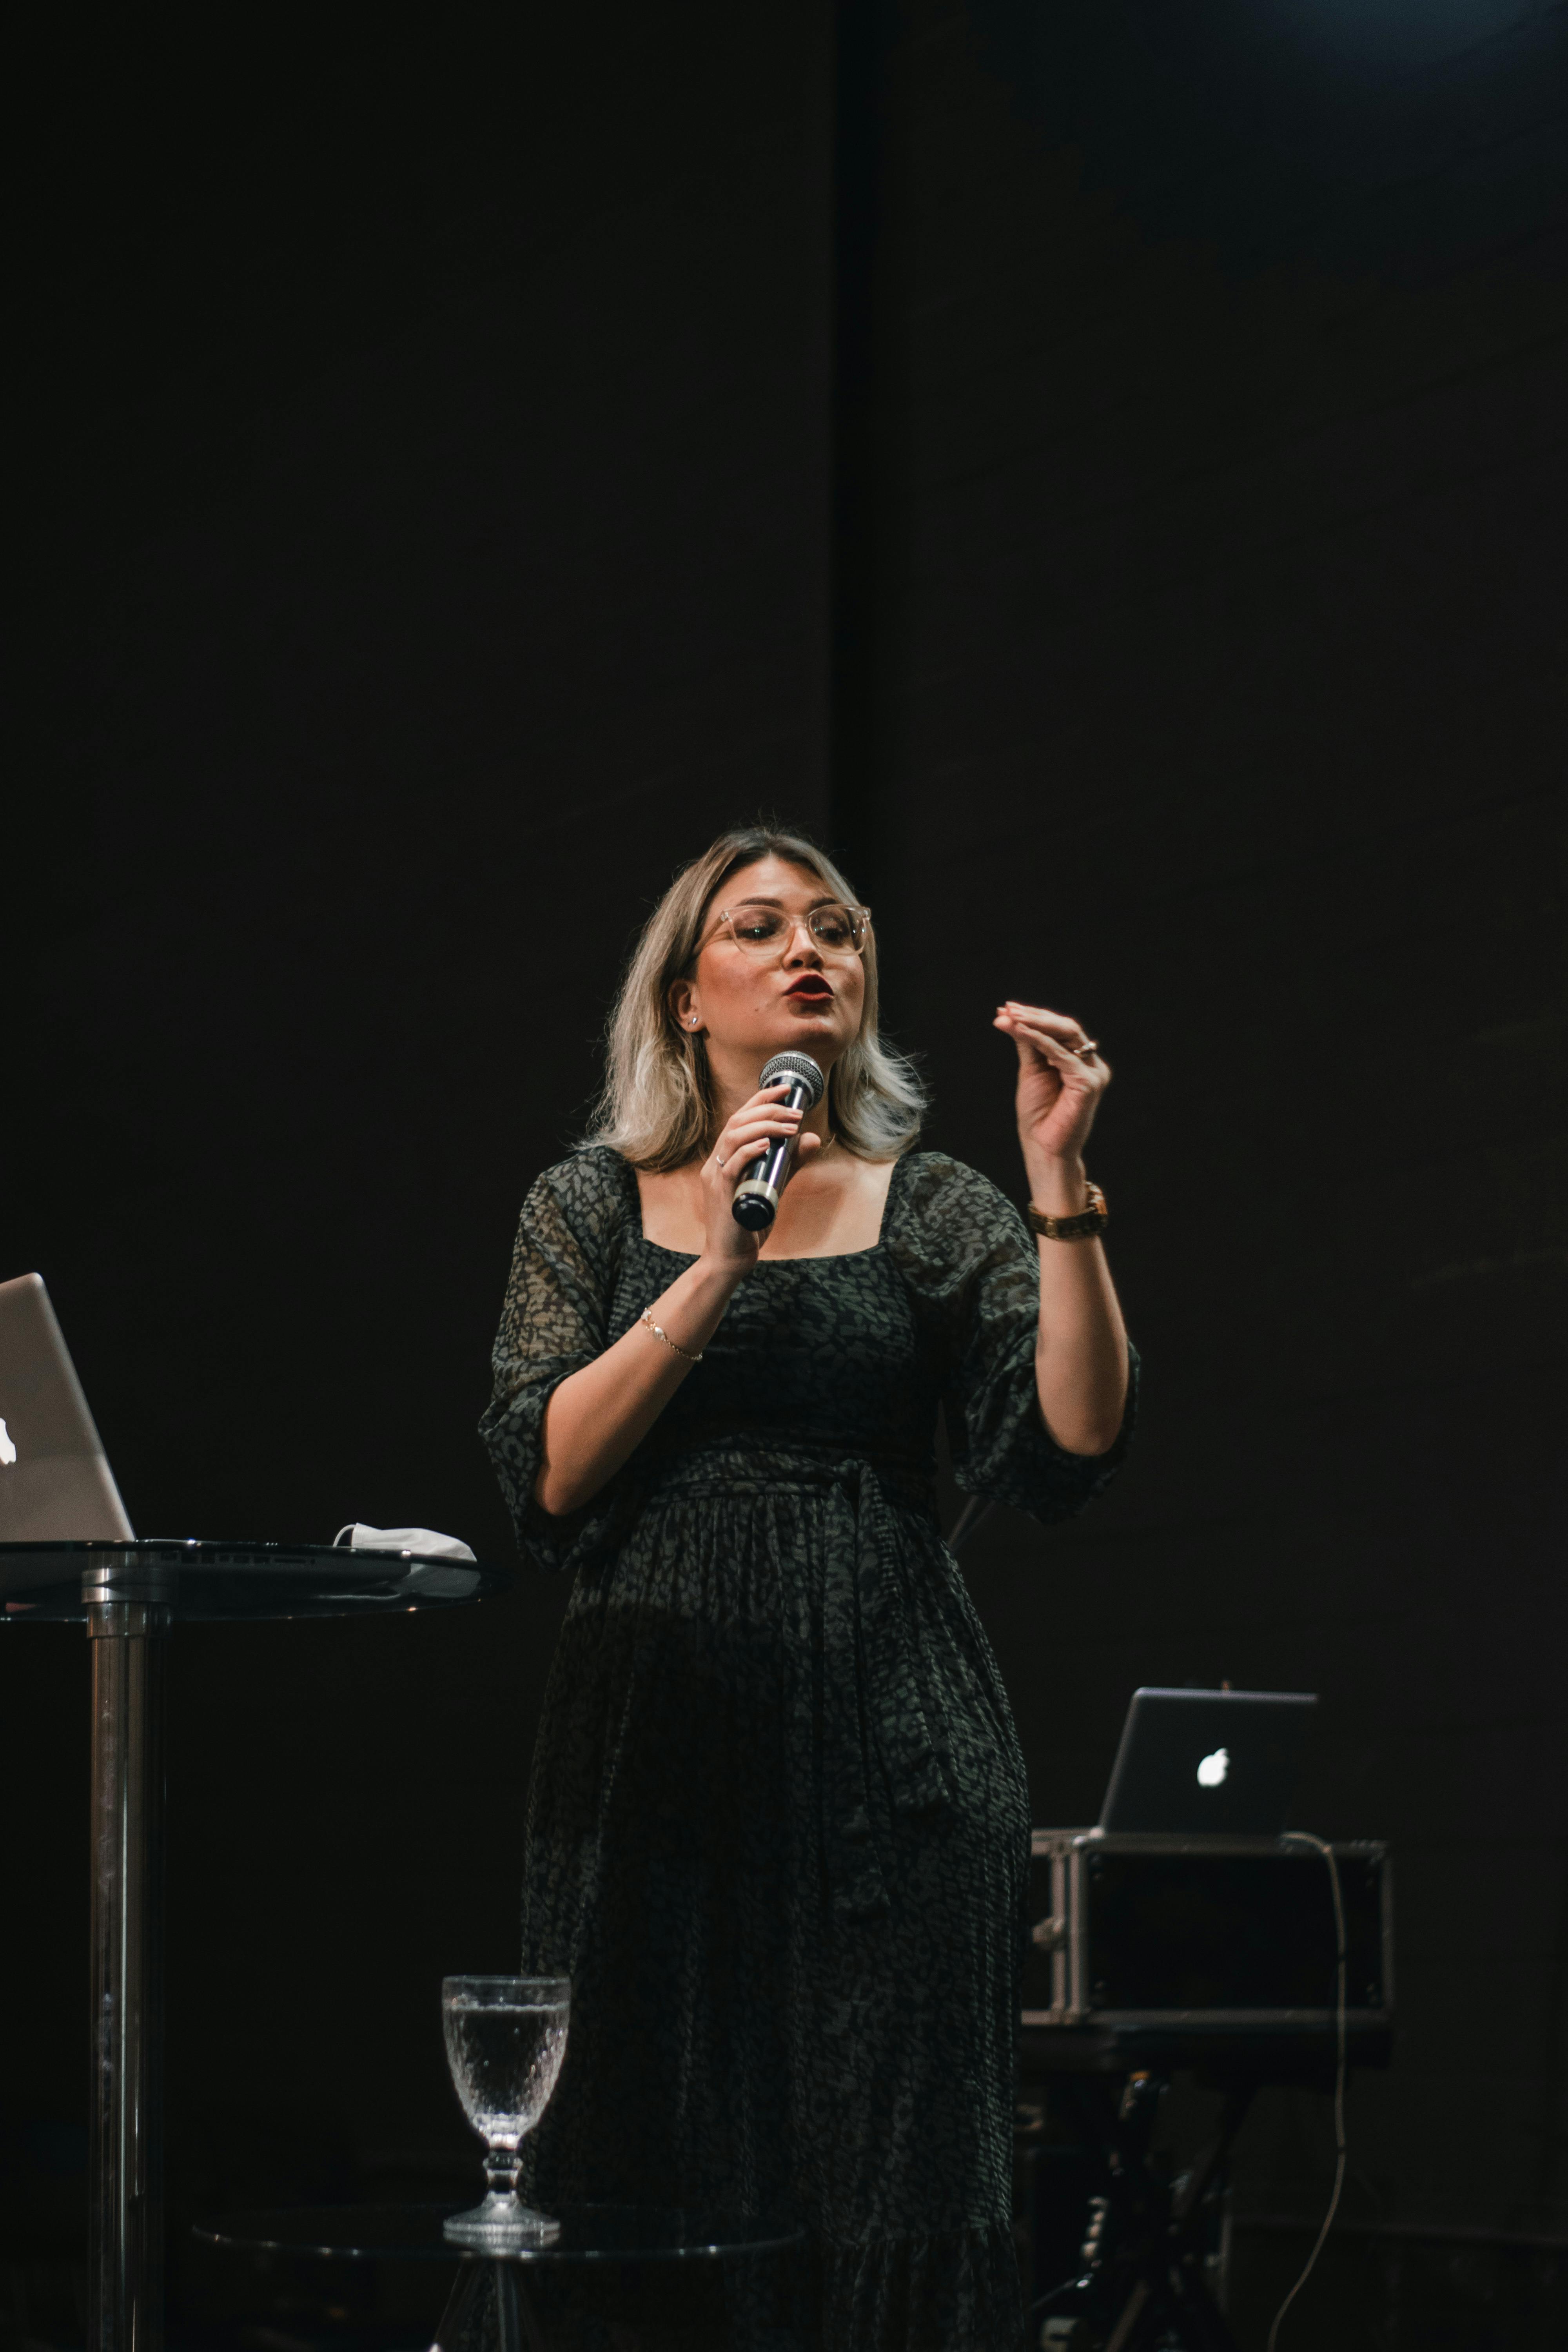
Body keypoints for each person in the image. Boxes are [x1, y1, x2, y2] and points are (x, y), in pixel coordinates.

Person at [480, 824, 1134, 2351]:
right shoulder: (585, 1207)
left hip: (895, 1751)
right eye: (762, 926)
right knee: (645, 2155)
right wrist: (713, 1254)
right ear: (684, 999)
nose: (811, 952)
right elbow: (550, 1472)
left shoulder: (936, 1201)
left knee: (892, 2178)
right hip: (655, 1752)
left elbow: (1072, 1438)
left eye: (836, 931)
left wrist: (1061, 1185)